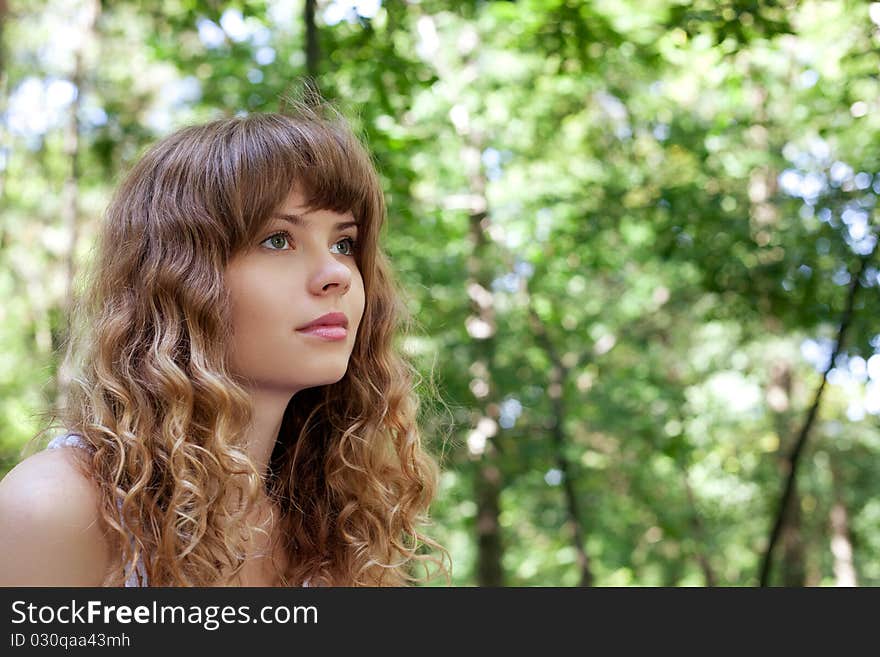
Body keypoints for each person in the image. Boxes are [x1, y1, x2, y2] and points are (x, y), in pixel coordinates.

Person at [0, 98, 449, 587]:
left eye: (343, 243)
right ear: (177, 281)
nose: (336, 274)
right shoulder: (60, 508)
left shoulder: (334, 530)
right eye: (278, 240)